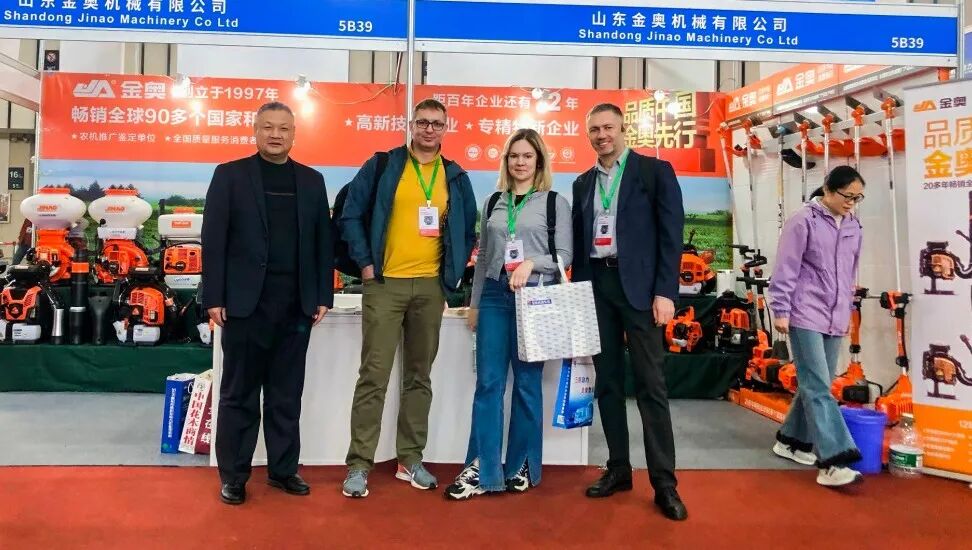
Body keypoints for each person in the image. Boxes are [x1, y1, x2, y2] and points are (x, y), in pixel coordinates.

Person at [340, 98, 477, 498]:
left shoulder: (455, 176)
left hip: (430, 288)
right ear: (411, 125)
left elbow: (467, 229)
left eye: (437, 123)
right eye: (423, 122)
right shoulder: (384, 165)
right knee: (374, 376)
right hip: (385, 284)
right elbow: (350, 214)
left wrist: (450, 277)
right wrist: (366, 264)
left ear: (446, 128)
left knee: (419, 377)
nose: (429, 129)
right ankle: (359, 464)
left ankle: (410, 459)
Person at [201, 101, 333, 506]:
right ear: (255, 131)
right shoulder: (230, 175)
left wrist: (322, 295)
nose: (276, 135)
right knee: (239, 395)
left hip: (296, 306)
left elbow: (322, 242)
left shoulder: (311, 181)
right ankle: (234, 476)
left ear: (294, 134)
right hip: (244, 306)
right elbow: (213, 240)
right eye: (268, 127)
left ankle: (283, 470)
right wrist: (214, 296)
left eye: (284, 128)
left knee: (286, 395)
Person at [571, 103, 687, 521]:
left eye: (608, 127)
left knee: (651, 385)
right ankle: (618, 468)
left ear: (623, 130)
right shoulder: (583, 183)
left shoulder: (654, 172)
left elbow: (671, 235)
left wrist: (665, 292)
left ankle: (665, 483)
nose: (602, 135)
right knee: (607, 384)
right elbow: (580, 242)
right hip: (597, 287)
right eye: (595, 129)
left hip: (640, 290)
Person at [444, 129, 572, 500]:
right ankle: (481, 468)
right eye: (514, 155)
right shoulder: (493, 202)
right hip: (495, 297)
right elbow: (484, 256)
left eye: (527, 156)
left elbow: (565, 255)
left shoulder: (554, 202)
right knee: (489, 384)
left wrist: (531, 263)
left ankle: (522, 465)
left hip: (536, 299)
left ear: (539, 161)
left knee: (528, 384)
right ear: (506, 161)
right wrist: (475, 304)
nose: (520, 162)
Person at [768, 165, 866, 488]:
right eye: (847, 195)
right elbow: (785, 267)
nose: (851, 202)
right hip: (804, 312)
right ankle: (833, 460)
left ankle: (791, 441)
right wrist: (781, 309)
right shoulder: (803, 221)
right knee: (819, 385)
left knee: (815, 383)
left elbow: (850, 272)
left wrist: (848, 307)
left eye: (857, 197)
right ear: (827, 189)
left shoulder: (853, 225)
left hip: (835, 315)